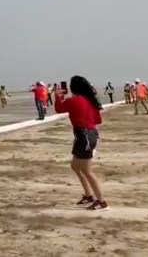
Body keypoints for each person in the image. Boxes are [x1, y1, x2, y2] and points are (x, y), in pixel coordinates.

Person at [54, 76, 107, 210]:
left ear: (72, 88)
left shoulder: (74, 100)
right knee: (75, 166)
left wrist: (57, 96)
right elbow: (98, 120)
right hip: (87, 134)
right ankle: (89, 196)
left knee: (87, 170)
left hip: (84, 136)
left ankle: (101, 201)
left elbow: (59, 108)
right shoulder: (90, 101)